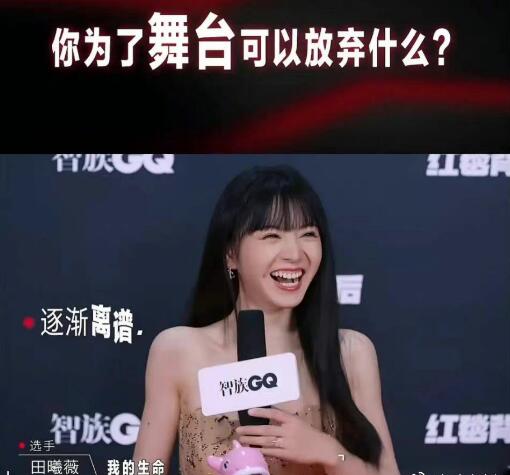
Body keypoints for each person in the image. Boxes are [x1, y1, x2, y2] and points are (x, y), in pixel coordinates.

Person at [133, 164, 400, 475]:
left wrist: (330, 453)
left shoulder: (351, 352)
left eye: (308, 234)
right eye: (272, 235)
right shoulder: (178, 350)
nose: (294, 254)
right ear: (231, 253)